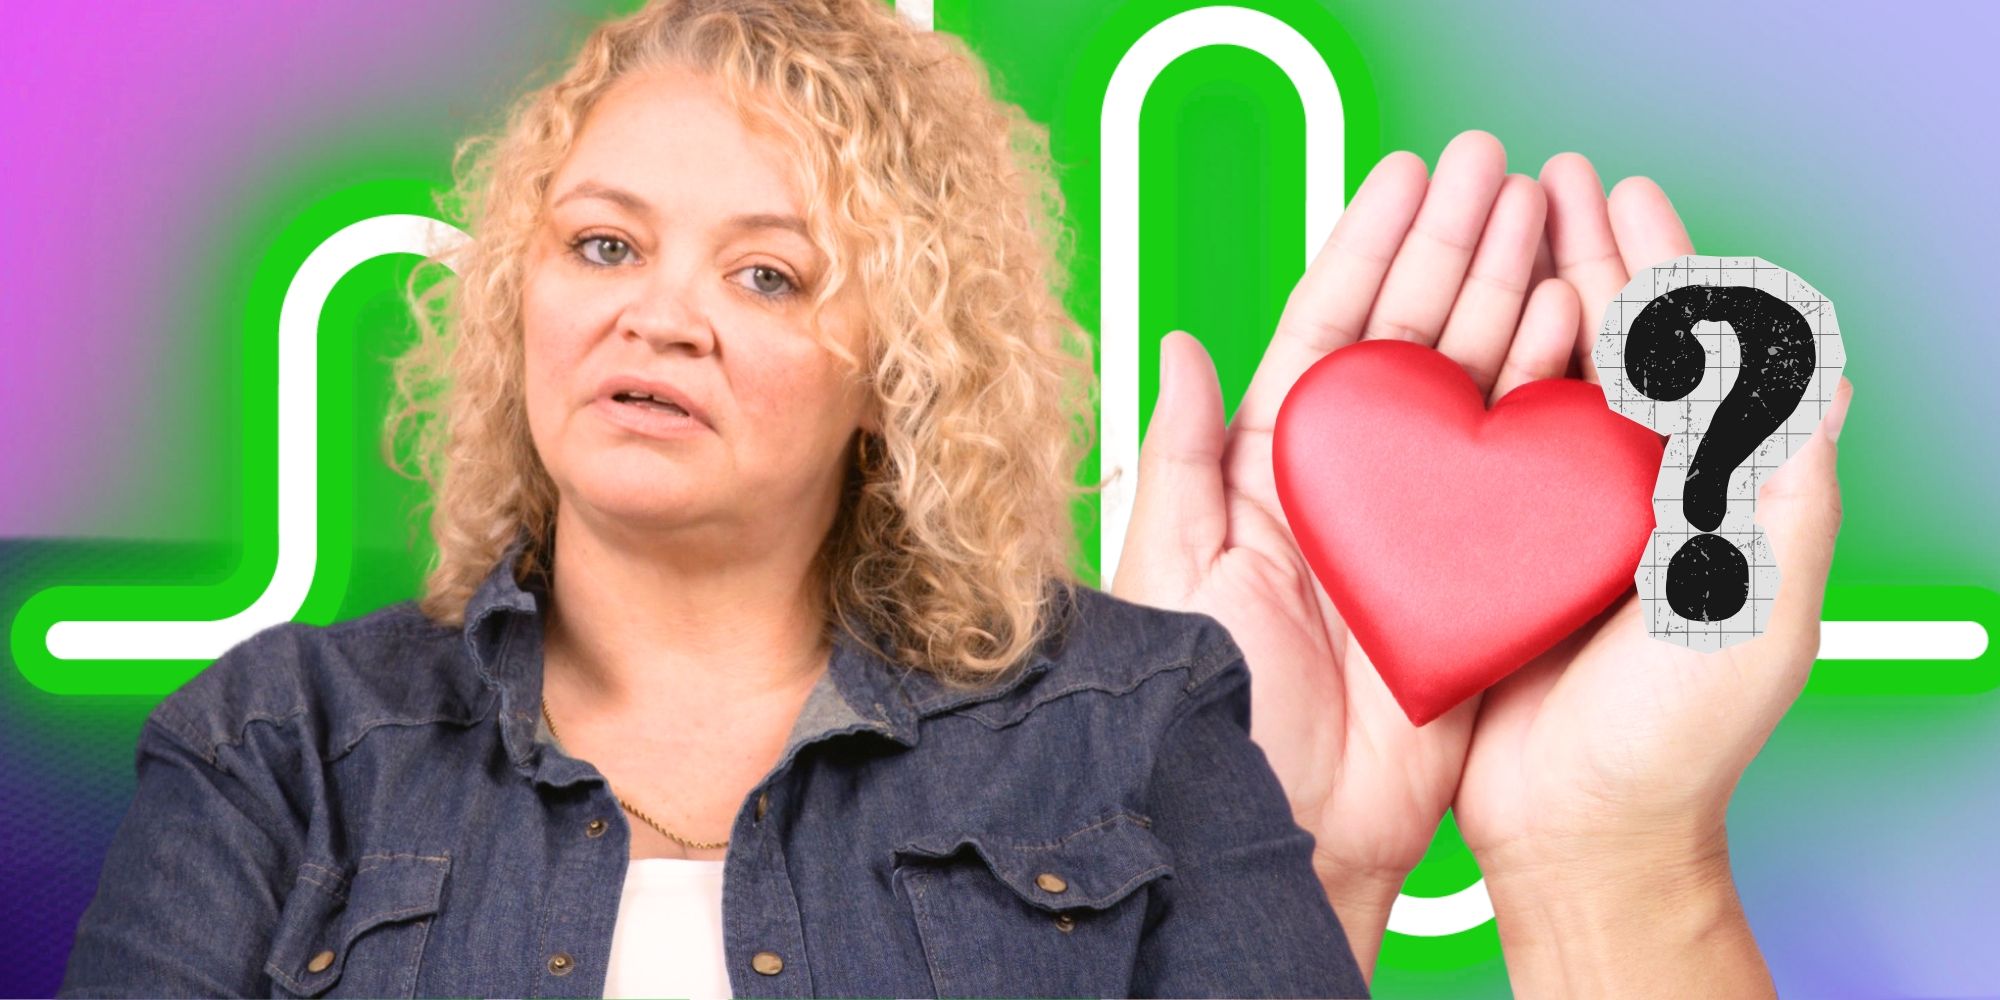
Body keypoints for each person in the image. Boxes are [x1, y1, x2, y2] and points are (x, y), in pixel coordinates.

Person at [56, 1, 1851, 999]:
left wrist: (1600, 862)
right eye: (602, 242)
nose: (654, 309)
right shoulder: (280, 745)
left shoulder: (1136, 726)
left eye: (769, 276)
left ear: (893, 366)